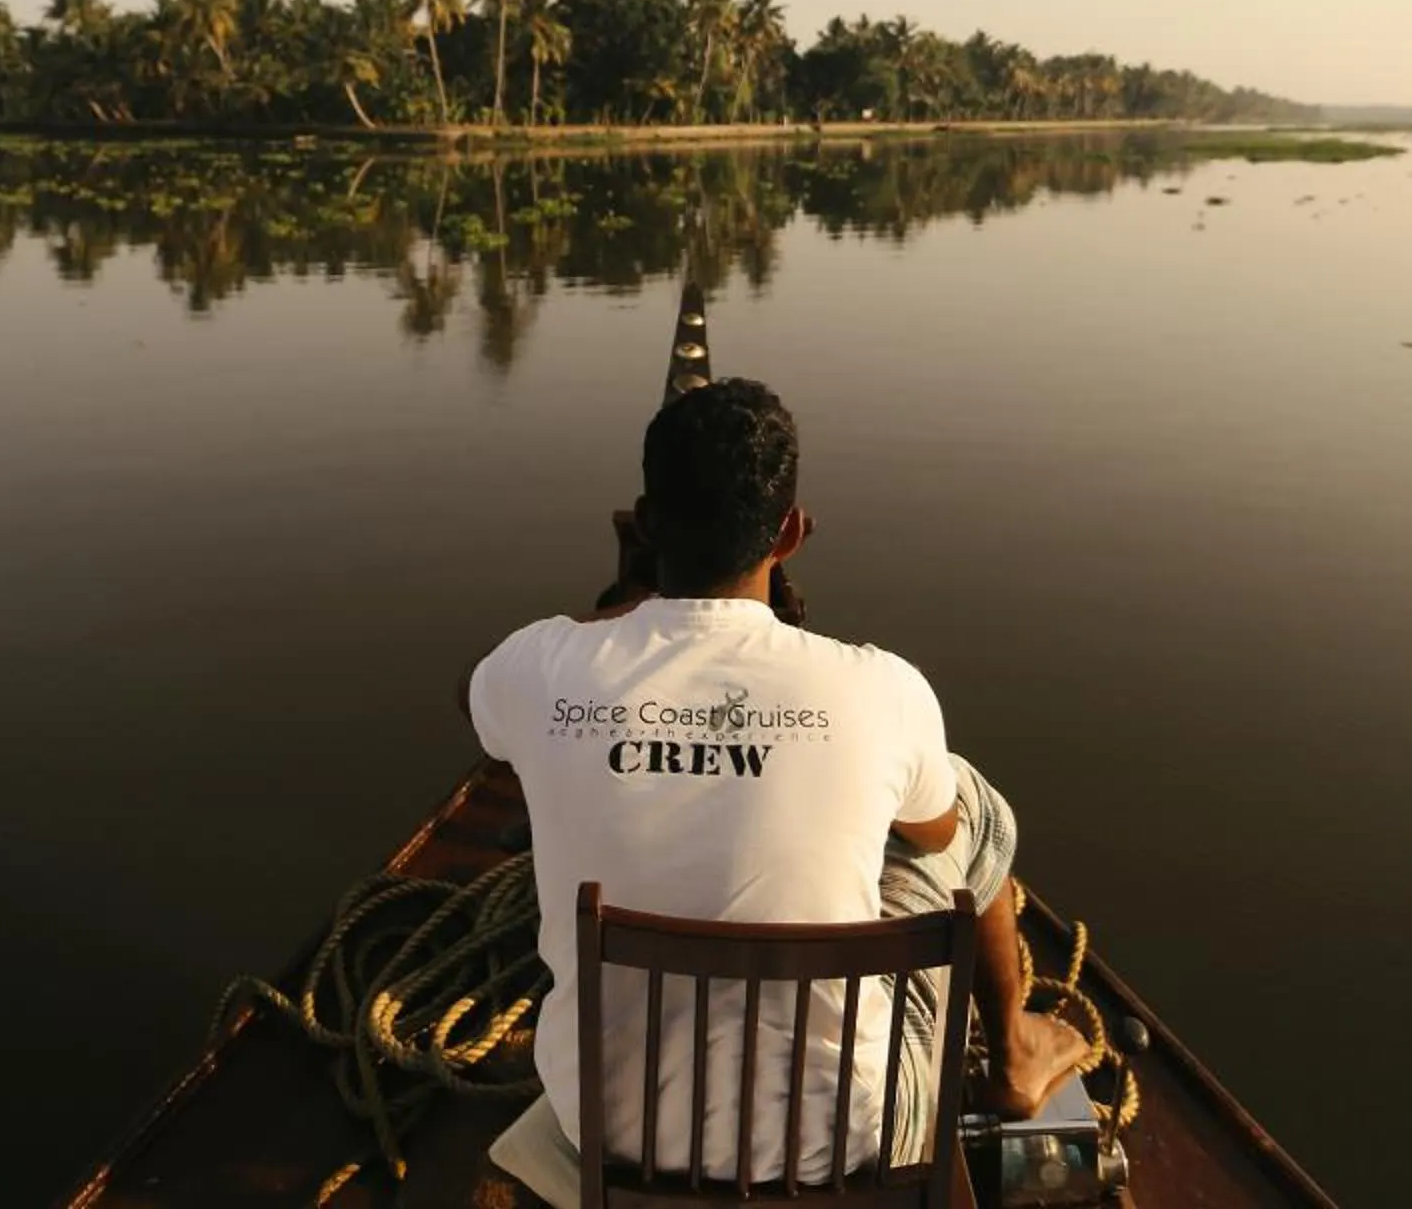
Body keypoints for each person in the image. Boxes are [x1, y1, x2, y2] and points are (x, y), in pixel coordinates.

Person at [463, 378, 1085, 1183]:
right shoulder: (882, 687)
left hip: (607, 1134)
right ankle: (1014, 1054)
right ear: (791, 532)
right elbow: (938, 837)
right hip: (844, 1144)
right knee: (971, 806)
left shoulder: (541, 666)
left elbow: (472, 707)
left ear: (647, 527)